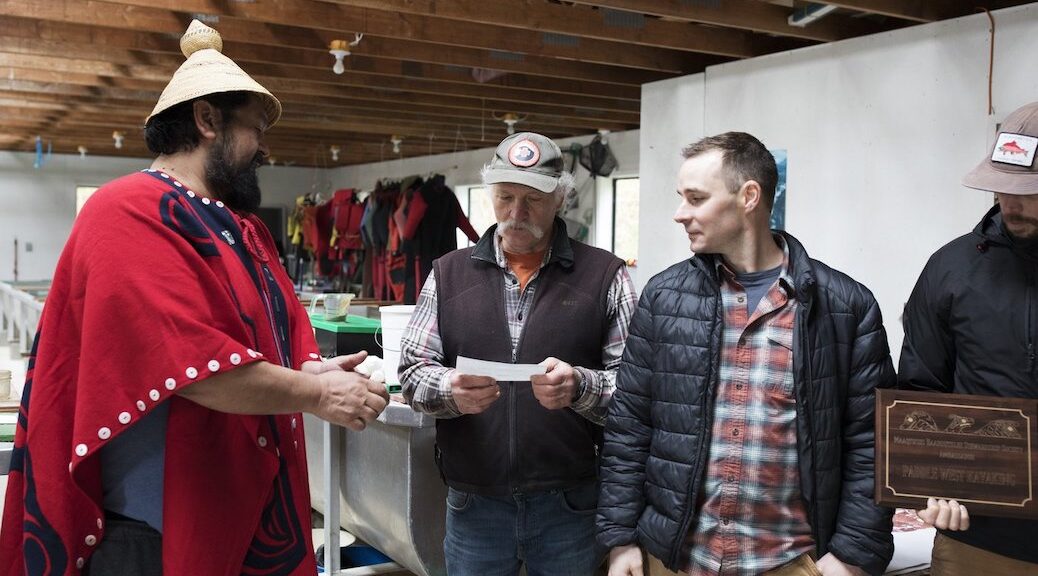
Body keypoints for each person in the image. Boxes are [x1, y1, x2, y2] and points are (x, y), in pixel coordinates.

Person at [0, 20, 389, 575]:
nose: (265, 147)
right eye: (255, 128)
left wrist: (315, 370)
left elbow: (256, 340)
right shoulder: (127, 211)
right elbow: (193, 365)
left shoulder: (237, 228)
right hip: (154, 536)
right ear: (207, 120)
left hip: (233, 511)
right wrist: (316, 395)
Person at [598, 132, 895, 576]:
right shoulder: (663, 297)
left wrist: (851, 556)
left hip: (791, 562)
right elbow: (629, 427)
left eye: (696, 199)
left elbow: (871, 443)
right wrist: (619, 539)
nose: (680, 214)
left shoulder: (845, 307)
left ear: (749, 197)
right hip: (677, 559)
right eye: (682, 198)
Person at [398, 131, 638, 576]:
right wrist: (450, 389)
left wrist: (581, 387)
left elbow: (637, 390)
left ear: (561, 198)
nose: (516, 213)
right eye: (505, 197)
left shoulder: (606, 276)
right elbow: (412, 374)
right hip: (475, 504)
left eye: (533, 199)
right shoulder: (447, 275)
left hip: (570, 503)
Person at [898, 101, 1038, 574]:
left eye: (1027, 190)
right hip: (979, 542)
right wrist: (932, 483)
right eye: (1001, 187)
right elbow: (918, 391)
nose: (1009, 202)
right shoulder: (951, 269)